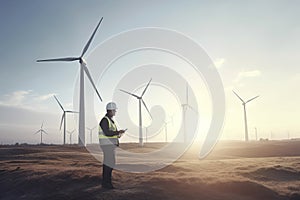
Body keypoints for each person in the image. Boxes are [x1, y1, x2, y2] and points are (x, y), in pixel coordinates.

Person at [99, 102, 126, 189]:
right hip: (106, 145)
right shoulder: (105, 120)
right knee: (108, 164)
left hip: (110, 145)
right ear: (110, 110)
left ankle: (107, 182)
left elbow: (112, 133)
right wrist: (118, 132)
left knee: (111, 163)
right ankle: (106, 183)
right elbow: (107, 132)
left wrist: (119, 134)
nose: (115, 112)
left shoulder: (111, 121)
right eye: (114, 110)